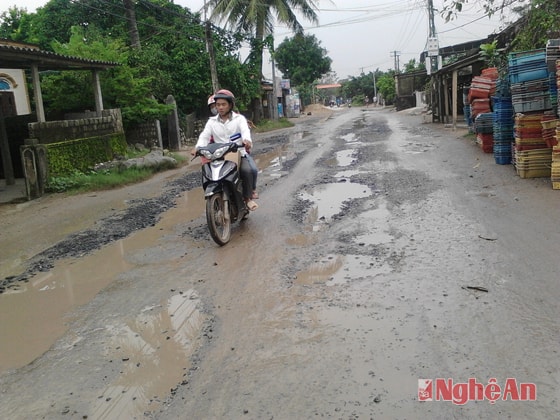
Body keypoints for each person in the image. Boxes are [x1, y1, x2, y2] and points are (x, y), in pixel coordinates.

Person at [192, 89, 259, 210]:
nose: (220, 107)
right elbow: (204, 136)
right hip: (219, 156)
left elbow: (245, 132)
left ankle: (248, 198)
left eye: (223, 104)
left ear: (230, 105)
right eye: (218, 105)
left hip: (237, 154)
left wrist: (247, 141)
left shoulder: (239, 119)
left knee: (248, 170)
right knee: (208, 173)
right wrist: (197, 147)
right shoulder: (211, 122)